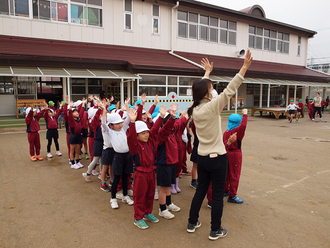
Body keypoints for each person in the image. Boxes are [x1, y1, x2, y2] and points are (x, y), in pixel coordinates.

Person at [186, 50, 252, 241]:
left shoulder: (195, 109)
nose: (213, 90)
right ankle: (215, 230)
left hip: (203, 158)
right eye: (211, 88)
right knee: (216, 197)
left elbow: (199, 91)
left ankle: (192, 222)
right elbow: (231, 88)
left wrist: (206, 73)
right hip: (218, 158)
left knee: (200, 191)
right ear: (206, 94)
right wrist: (244, 67)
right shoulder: (213, 106)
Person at [126, 105, 166, 229]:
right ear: (137, 135)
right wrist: (132, 123)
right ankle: (138, 217)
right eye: (143, 133)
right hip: (140, 173)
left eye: (146, 133)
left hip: (151, 172)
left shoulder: (150, 142)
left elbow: (154, 130)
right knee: (140, 196)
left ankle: (148, 213)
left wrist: (161, 118)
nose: (146, 135)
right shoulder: (135, 146)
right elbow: (131, 138)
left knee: (149, 194)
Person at [102, 98, 134, 209]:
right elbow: (103, 123)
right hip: (118, 157)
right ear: (111, 125)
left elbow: (129, 118)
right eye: (117, 124)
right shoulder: (109, 131)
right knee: (116, 178)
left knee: (126, 177)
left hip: (127, 156)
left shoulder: (123, 128)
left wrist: (127, 107)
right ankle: (113, 198)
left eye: (120, 122)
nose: (120, 125)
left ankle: (125, 196)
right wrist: (104, 111)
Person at [155, 105, 182, 220]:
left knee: (168, 186)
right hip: (164, 164)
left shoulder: (171, 133)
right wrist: (171, 118)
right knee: (164, 188)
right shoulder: (162, 134)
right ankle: (162, 209)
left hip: (171, 163)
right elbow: (167, 128)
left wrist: (177, 116)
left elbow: (177, 125)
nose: (171, 126)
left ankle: (169, 203)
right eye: (168, 123)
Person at [224, 109, 248, 204]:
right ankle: (232, 195)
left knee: (227, 173)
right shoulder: (237, 131)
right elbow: (243, 126)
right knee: (235, 174)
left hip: (227, 152)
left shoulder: (226, 132)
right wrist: (245, 115)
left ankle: (226, 189)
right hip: (235, 154)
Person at [68, 100, 87, 169]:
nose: (76, 113)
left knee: (78, 150)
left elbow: (81, 112)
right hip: (73, 135)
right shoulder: (71, 120)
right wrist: (70, 108)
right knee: (72, 150)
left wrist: (83, 104)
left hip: (79, 135)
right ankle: (72, 163)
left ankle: (77, 161)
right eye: (74, 112)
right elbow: (69, 115)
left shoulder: (79, 120)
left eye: (76, 111)